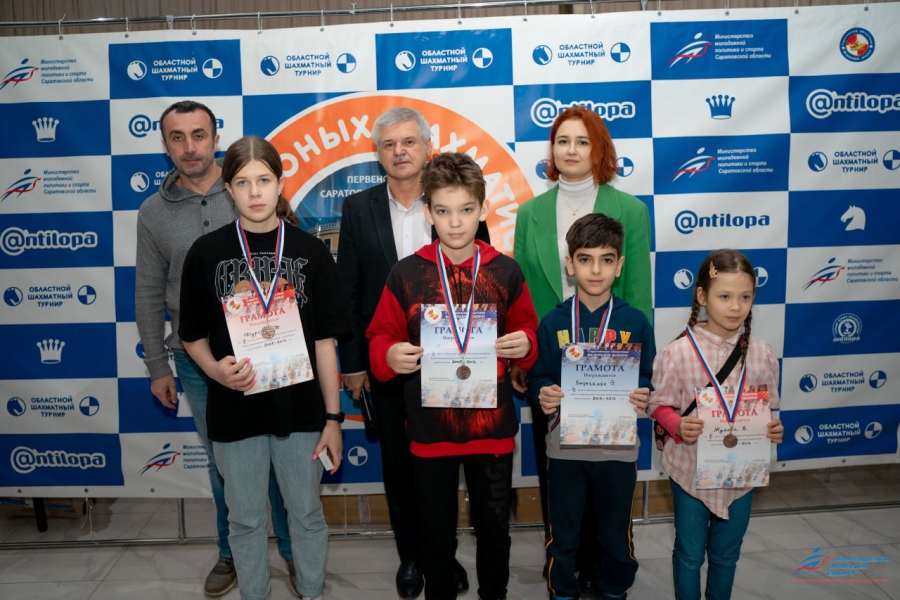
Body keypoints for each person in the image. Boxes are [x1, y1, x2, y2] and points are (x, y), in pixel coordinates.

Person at [135, 101, 296, 597]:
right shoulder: (153, 212)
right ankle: (231, 552)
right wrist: (157, 365)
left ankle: (294, 552)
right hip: (197, 361)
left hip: (269, 350)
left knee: (282, 453)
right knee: (225, 464)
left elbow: (296, 260)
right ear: (165, 145)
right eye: (177, 137)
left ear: (215, 137)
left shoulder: (249, 185)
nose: (190, 147)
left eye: (199, 135)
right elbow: (148, 291)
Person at [179, 135, 349, 600]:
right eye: (242, 182)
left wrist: (333, 419)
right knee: (245, 519)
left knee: (306, 514)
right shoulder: (206, 252)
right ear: (228, 190)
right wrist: (215, 371)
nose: (254, 192)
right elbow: (190, 335)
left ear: (280, 184)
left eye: (264, 180)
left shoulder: (312, 252)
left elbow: (326, 344)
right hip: (235, 408)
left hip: (302, 411)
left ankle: (311, 592)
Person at [366, 152, 538, 600]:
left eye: (465, 209)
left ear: (483, 209)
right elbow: (379, 338)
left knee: (494, 530)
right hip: (430, 430)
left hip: (492, 431)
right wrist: (389, 355)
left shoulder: (506, 271)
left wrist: (525, 346)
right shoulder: (406, 273)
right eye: (443, 211)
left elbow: (528, 330)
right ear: (428, 213)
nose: (455, 222)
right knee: (435, 534)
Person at [336, 107, 485, 598]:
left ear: (427, 147)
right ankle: (411, 556)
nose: (399, 151)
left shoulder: (454, 200)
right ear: (377, 154)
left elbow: (481, 283)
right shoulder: (357, 208)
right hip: (388, 364)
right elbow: (348, 292)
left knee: (445, 468)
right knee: (399, 467)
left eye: (408, 141)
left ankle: (443, 555)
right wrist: (355, 364)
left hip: (454, 364)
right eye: (388, 144)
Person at [513, 105, 653, 590]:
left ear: (599, 150)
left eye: (582, 141)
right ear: (551, 149)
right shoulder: (530, 212)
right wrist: (527, 359)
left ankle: (602, 563)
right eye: (562, 140)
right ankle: (563, 559)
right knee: (560, 476)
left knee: (609, 477)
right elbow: (522, 292)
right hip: (552, 365)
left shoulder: (630, 210)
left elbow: (638, 295)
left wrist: (638, 374)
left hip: (613, 373)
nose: (570, 150)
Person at [527, 213, 655, 600]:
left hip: (617, 450)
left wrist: (644, 392)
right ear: (570, 264)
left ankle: (615, 589)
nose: (595, 270)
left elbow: (647, 375)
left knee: (616, 532)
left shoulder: (635, 321)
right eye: (585, 259)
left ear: (620, 265)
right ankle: (562, 591)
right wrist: (544, 392)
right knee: (563, 532)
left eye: (606, 259)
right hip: (565, 449)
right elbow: (538, 376)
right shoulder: (552, 322)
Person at [648, 249, 784, 600]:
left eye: (745, 297)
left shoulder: (762, 353)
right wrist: (677, 424)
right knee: (690, 555)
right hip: (690, 471)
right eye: (724, 296)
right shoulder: (677, 353)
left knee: (726, 555)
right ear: (702, 296)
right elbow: (657, 404)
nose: (736, 307)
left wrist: (773, 428)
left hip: (741, 474)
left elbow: (770, 408)